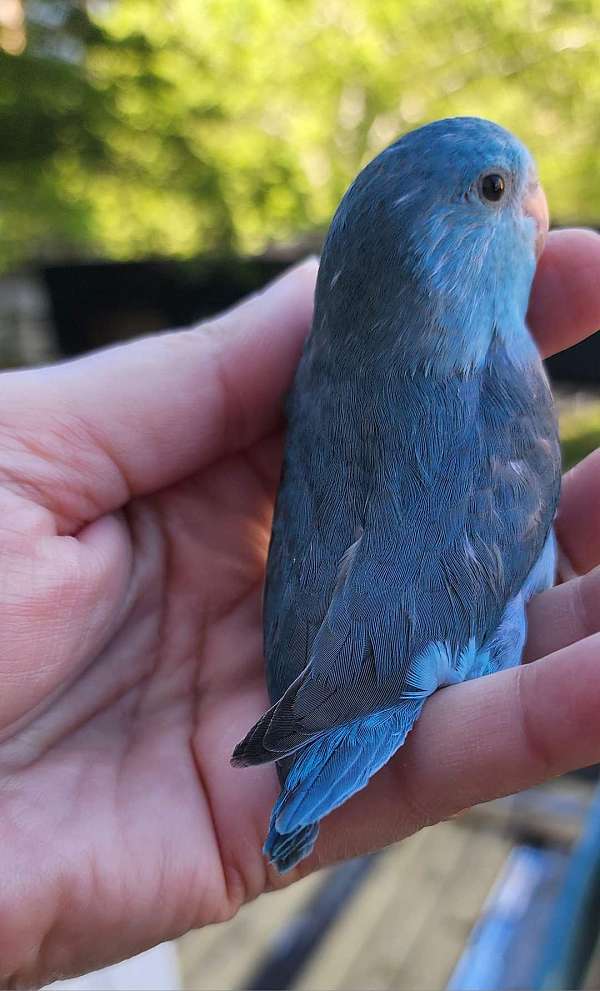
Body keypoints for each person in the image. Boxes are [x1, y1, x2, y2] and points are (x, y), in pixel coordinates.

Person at [1, 230, 600, 986]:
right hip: (358, 688)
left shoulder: (348, 359)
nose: (531, 211)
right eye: (493, 191)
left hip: (336, 682)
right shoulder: (490, 383)